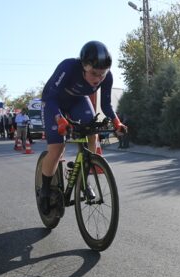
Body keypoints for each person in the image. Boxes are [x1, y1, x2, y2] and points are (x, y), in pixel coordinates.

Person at [38, 41, 127, 214]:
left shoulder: (106, 77)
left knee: (92, 132)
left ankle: (83, 179)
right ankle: (45, 190)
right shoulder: (69, 67)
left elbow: (106, 105)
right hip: (53, 103)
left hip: (78, 100)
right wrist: (60, 119)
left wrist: (117, 122)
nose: (97, 79)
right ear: (83, 66)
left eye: (102, 75)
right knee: (57, 148)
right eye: (94, 73)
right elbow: (51, 99)